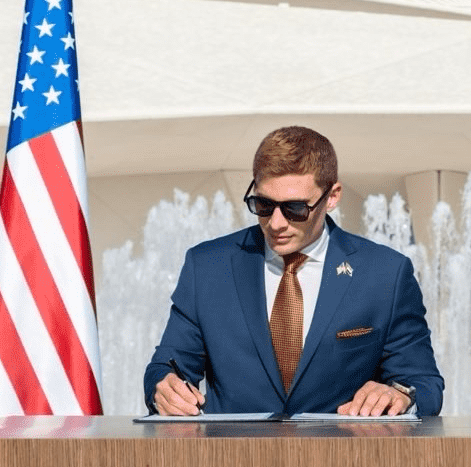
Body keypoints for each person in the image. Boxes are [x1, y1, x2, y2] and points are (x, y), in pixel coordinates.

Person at [145, 126, 444, 417]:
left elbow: (423, 382)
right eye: (263, 204)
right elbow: (167, 366)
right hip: (234, 450)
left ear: (333, 196)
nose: (276, 223)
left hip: (344, 450)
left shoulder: (386, 274)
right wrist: (164, 389)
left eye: (295, 209)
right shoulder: (206, 267)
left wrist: (400, 394)